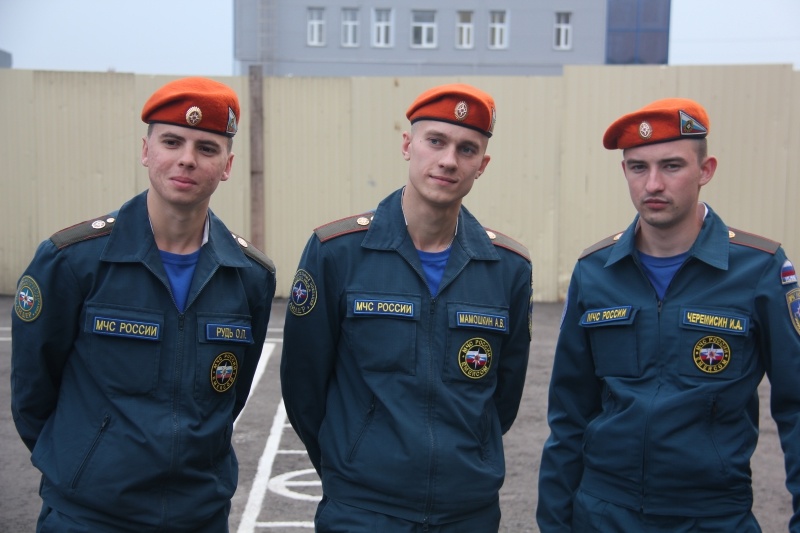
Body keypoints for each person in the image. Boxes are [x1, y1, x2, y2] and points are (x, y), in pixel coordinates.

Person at [11, 77, 276, 532]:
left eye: (206, 148)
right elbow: (32, 393)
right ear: (146, 151)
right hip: (88, 517)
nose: (187, 159)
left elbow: (228, 399)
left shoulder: (250, 275)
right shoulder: (72, 261)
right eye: (172, 142)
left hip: (199, 516)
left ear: (227, 165)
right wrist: (85, 467)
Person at [537, 98, 800, 532]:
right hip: (604, 515)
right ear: (624, 172)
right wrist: (554, 523)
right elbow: (568, 414)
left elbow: (795, 407)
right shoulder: (595, 271)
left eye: (672, 166)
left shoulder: (759, 269)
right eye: (638, 167)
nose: (653, 184)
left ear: (706, 170)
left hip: (711, 517)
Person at [280, 83, 532, 531]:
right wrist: (353, 465)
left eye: (467, 149)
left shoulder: (508, 267)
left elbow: (503, 398)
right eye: (435, 141)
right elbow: (304, 386)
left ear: (482, 165)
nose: (449, 160)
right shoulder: (337, 252)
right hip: (363, 512)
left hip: (467, 512)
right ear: (407, 145)